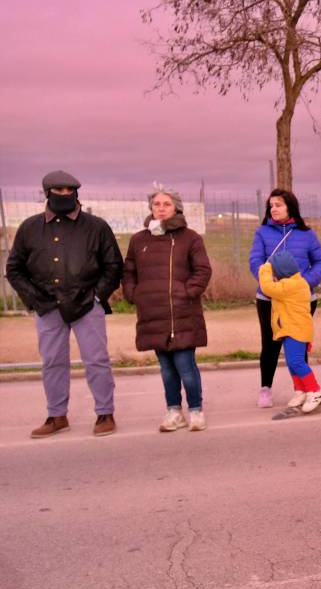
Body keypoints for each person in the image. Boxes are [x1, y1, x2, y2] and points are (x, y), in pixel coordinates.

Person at [6, 170, 122, 438]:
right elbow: (14, 269)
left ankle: (105, 413)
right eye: (59, 191)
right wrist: (35, 299)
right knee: (52, 363)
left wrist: (96, 296)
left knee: (97, 361)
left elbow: (113, 265)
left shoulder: (96, 227)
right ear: (47, 193)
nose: (65, 195)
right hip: (47, 307)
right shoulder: (30, 228)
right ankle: (57, 416)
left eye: (70, 191)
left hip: (86, 304)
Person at [121, 185, 213, 431]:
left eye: (166, 204)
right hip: (153, 314)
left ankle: (195, 411)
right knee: (166, 369)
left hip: (182, 313)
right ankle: (174, 412)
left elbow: (202, 270)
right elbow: (128, 271)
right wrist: (133, 293)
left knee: (185, 366)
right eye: (156, 204)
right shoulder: (139, 240)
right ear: (151, 208)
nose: (160, 208)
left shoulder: (190, 237)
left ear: (177, 208)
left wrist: (186, 292)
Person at [248, 189, 321, 408]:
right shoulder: (262, 232)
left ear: (290, 207)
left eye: (278, 205)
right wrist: (269, 284)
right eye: (271, 205)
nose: (274, 209)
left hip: (301, 299)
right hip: (268, 299)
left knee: (297, 345)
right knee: (270, 344)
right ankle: (266, 388)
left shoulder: (307, 234)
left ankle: (303, 389)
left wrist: (305, 283)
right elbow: (255, 260)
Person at [257, 251, 321, 411]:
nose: (272, 275)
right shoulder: (294, 282)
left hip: (297, 330)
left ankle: (314, 390)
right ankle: (300, 390)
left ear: (281, 273)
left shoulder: (291, 285)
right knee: (292, 362)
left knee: (296, 362)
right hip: (290, 329)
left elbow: (266, 287)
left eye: (274, 272)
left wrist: (265, 269)